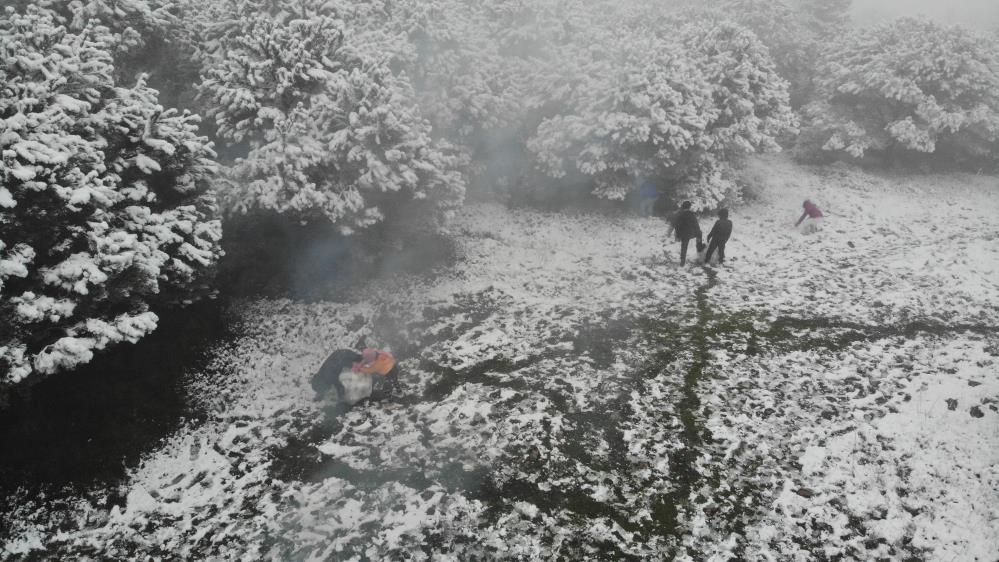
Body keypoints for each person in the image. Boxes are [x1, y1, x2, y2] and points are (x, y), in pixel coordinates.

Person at [311, 346, 399, 402]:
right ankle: (373, 368)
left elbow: (339, 386)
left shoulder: (329, 376)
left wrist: (341, 397)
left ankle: (376, 377)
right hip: (341, 353)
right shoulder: (322, 373)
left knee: (360, 365)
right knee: (360, 360)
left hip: (343, 357)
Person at [668, 201, 702, 266]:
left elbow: (673, 224)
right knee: (700, 233)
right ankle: (699, 250)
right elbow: (696, 225)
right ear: (689, 207)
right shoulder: (692, 214)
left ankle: (682, 260)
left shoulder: (679, 214)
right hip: (690, 233)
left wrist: (670, 233)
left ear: (683, 206)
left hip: (682, 234)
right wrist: (698, 234)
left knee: (684, 246)